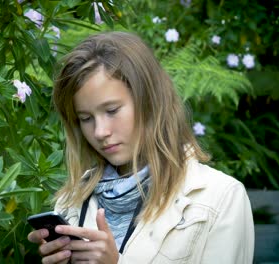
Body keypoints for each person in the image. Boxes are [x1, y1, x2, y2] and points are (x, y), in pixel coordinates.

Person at [27, 31, 255, 263]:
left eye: (112, 110)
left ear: (151, 102)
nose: (99, 132)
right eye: (85, 118)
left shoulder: (221, 198)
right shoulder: (70, 202)